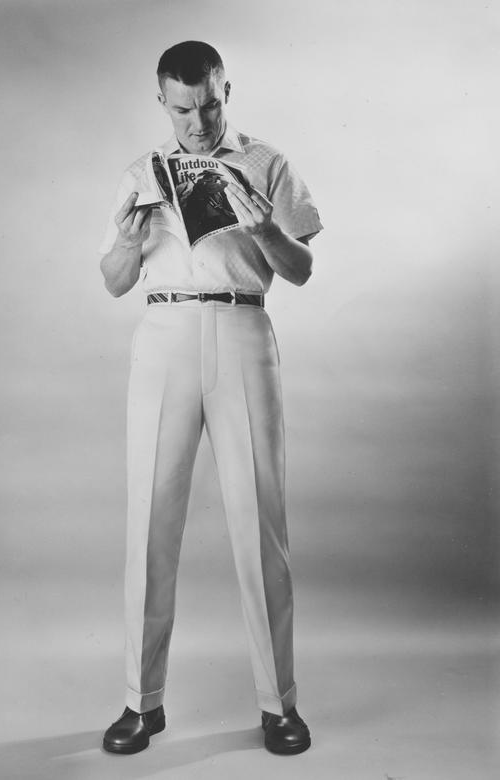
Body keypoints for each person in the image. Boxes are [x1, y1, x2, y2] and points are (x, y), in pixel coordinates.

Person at [98, 40, 323, 756]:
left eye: (212, 103)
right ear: (162, 100)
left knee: (261, 522)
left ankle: (278, 706)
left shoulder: (268, 163)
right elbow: (111, 279)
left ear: (229, 90)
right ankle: (142, 703)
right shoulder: (144, 172)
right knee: (150, 520)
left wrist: (265, 233)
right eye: (184, 108)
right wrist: (130, 246)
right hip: (164, 331)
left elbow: (304, 269)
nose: (199, 122)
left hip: (241, 326)